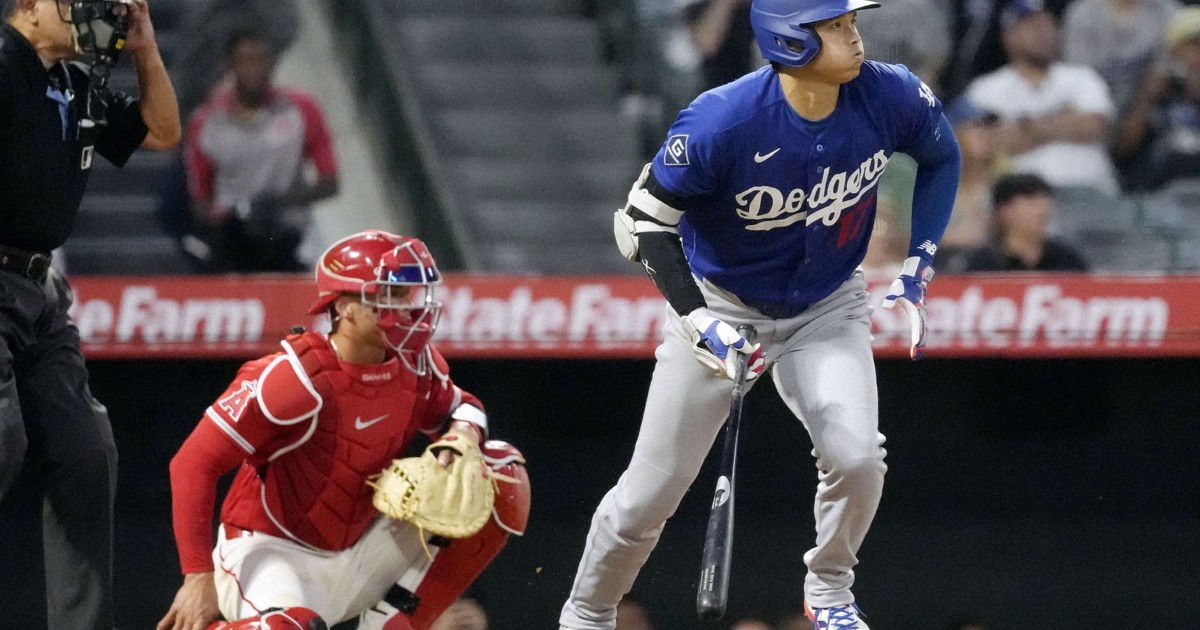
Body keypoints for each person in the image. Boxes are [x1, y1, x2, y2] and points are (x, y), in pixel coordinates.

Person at [558, 0, 961, 628]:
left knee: (857, 457)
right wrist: (699, 320)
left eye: (851, 23)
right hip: (721, 304)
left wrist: (920, 262)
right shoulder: (723, 119)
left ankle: (829, 589)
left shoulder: (889, 93)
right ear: (790, 42)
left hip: (827, 305)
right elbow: (643, 224)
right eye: (836, 26)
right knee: (648, 496)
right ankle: (587, 612)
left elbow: (942, 156)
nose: (855, 37)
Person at [156, 230, 530, 630]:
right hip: (272, 553)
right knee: (292, 628)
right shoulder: (293, 376)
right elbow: (193, 463)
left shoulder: (416, 364)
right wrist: (197, 575)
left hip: (360, 551)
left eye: (409, 294)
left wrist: (461, 438)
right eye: (390, 294)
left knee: (500, 471)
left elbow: (464, 407)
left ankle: (396, 624)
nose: (408, 307)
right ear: (345, 306)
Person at [0, 0, 179, 627]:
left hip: (39, 289)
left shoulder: (74, 83)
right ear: (30, 6)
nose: (93, 14)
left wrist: (146, 48)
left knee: (86, 454)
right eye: (76, 1)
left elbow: (162, 131)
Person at [185, 26, 339, 273]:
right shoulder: (207, 122)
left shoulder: (301, 109)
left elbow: (330, 182)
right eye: (245, 61)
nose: (254, 69)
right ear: (230, 65)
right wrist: (225, 217)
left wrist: (279, 202)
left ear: (273, 62)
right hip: (232, 241)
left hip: (289, 237)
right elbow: (200, 193)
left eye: (261, 60)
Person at [961, 1, 1122, 194]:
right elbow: (987, 146)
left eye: (1048, 25)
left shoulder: (1082, 77)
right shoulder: (984, 90)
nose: (1044, 33)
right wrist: (1066, 118)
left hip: (1092, 192)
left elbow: (1094, 125)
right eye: (1033, 27)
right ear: (1009, 36)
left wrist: (1023, 126)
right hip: (1022, 198)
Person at [1112, 6, 1200, 191]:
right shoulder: (1149, 83)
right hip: (1158, 189)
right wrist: (1147, 98)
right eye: (1195, 43)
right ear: (1174, 50)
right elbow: (1122, 151)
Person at [961, 172, 1090, 271]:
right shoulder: (982, 263)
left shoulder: (1067, 260)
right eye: (1030, 202)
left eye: (1045, 201)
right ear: (1005, 210)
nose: (1042, 210)